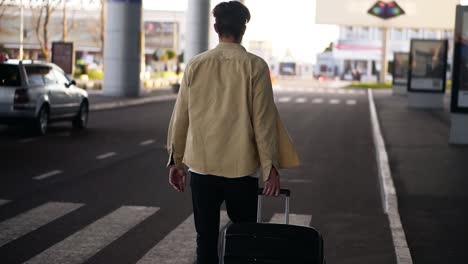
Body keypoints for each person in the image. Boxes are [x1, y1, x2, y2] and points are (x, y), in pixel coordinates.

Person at [166, 2, 300, 263]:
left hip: (202, 168)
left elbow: (181, 117)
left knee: (205, 239)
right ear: (243, 29)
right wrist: (269, 168)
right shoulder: (256, 67)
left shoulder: (196, 65)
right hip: (242, 170)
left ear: (216, 28)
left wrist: (176, 162)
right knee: (243, 240)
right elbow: (263, 121)